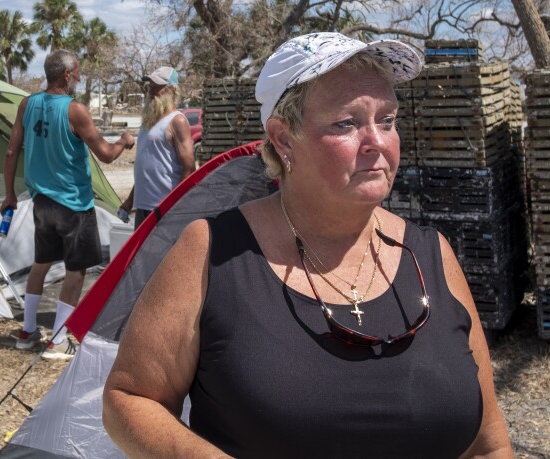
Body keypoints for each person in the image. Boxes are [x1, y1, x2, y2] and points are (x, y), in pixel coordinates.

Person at [103, 32, 513, 456]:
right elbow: (128, 399)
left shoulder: (434, 254)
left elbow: (488, 444)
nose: (377, 141)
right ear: (283, 140)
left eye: (387, 120)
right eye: (347, 123)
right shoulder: (214, 253)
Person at [2, 49, 135, 359]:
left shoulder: (27, 103)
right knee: (76, 271)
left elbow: (12, 151)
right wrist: (124, 142)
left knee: (41, 264)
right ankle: (59, 340)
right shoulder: (75, 110)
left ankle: (27, 331)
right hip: (73, 204)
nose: (79, 76)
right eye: (77, 72)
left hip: (42, 202)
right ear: (65, 75)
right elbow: (105, 154)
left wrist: (9, 194)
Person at [119, 66, 196, 228]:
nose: (150, 89)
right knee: (140, 254)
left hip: (165, 209)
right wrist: (129, 201)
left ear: (172, 90)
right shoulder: (148, 122)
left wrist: (175, 205)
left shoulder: (177, 121)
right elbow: (146, 169)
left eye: (157, 86)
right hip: (143, 208)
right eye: (150, 85)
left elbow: (189, 169)